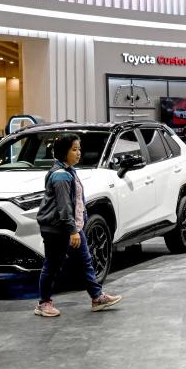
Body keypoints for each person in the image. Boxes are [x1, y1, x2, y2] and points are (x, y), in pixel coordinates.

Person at [35, 134, 121, 317]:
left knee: (85, 261)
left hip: (73, 227)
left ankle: (97, 297)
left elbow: (78, 202)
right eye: (74, 149)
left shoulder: (69, 171)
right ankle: (43, 303)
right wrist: (72, 230)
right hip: (58, 229)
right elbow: (64, 207)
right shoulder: (60, 176)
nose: (78, 153)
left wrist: (80, 222)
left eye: (79, 149)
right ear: (63, 152)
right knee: (52, 265)